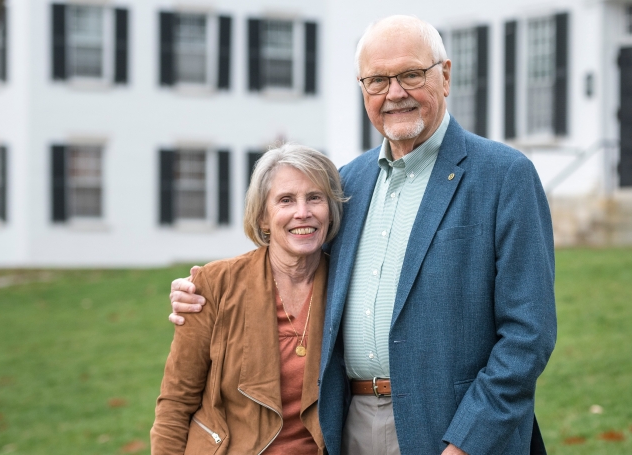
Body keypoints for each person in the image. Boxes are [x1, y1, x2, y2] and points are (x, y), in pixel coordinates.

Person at [169, 15, 556, 455]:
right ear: (363, 89)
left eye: (411, 74)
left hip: (452, 426)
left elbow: (529, 335)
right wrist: (206, 292)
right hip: (348, 425)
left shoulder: (504, 176)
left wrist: (467, 442)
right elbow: (295, 255)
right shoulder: (347, 184)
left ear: (445, 76)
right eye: (376, 80)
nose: (394, 93)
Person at [151, 143, 345, 454]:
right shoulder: (214, 285)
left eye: (314, 198)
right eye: (285, 200)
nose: (302, 212)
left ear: (330, 211)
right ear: (263, 218)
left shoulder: (346, 283)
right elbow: (176, 403)